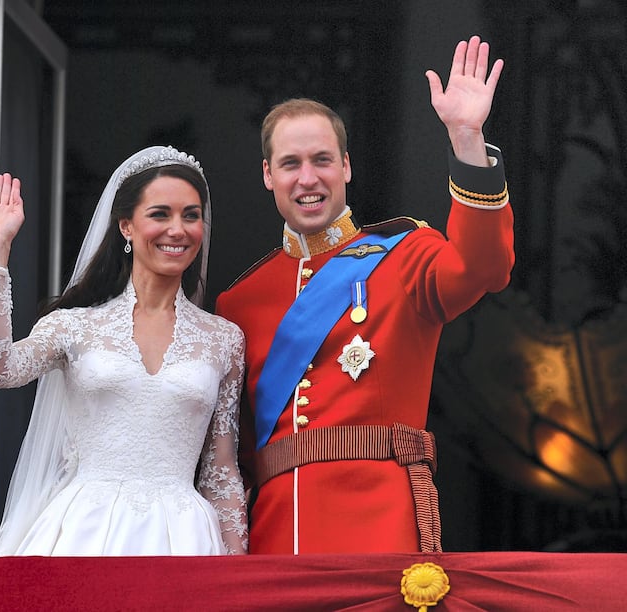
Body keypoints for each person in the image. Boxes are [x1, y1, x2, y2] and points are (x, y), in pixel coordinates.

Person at [216, 36, 515, 554]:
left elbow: (484, 267)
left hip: (377, 528)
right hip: (274, 536)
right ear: (268, 175)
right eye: (290, 163)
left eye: (322, 160)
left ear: (347, 166)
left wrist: (466, 140)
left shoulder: (403, 255)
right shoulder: (238, 301)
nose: (307, 178)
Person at [0, 145, 248, 556]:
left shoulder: (224, 339)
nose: (178, 229)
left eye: (191, 215)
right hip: (84, 532)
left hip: (185, 539)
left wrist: (237, 573)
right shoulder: (74, 324)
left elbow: (220, 469)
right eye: (160, 214)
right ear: (126, 227)